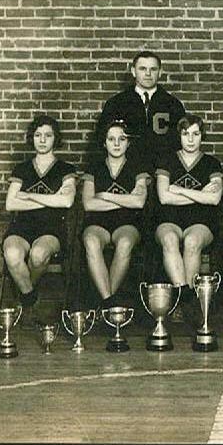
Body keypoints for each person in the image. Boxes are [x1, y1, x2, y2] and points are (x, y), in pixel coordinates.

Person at [3, 115, 77, 327]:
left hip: (51, 228)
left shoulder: (66, 169)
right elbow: (11, 204)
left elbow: (66, 201)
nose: (42, 140)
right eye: (37, 135)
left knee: (38, 254)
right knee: (12, 254)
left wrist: (28, 196)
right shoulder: (22, 169)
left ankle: (23, 295)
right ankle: (30, 299)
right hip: (22, 226)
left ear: (56, 138)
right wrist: (50, 200)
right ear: (32, 138)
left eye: (48, 135)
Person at [155, 114, 223, 323]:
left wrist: (178, 189)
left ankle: (185, 300)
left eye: (196, 134)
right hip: (169, 218)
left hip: (201, 221)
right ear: (179, 136)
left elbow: (214, 199)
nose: (191, 139)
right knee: (169, 239)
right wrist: (200, 194)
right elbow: (164, 197)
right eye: (186, 134)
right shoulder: (166, 160)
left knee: (192, 241)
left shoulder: (212, 163)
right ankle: (185, 297)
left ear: (202, 136)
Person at [82, 120, 149, 312]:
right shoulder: (94, 168)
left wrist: (104, 195)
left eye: (122, 139)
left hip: (128, 222)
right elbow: (88, 204)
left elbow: (139, 202)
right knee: (91, 241)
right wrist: (125, 199)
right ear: (104, 143)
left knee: (125, 243)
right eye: (111, 139)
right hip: (97, 223)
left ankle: (105, 305)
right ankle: (109, 304)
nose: (117, 144)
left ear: (129, 142)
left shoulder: (138, 167)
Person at [97, 51, 185, 168]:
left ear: (160, 72)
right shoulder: (116, 103)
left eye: (153, 69)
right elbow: (102, 140)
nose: (148, 73)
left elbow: (181, 143)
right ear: (133, 71)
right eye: (142, 69)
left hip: (163, 170)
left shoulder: (173, 104)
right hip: (127, 170)